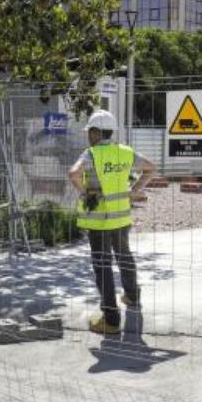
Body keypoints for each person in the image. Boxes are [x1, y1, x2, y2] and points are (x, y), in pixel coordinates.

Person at [67, 108, 156, 335]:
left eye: (90, 132)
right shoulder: (125, 152)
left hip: (99, 222)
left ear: (96, 132)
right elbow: (150, 168)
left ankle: (111, 320)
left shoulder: (92, 154)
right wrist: (134, 191)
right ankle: (132, 296)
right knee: (124, 256)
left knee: (103, 267)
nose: (88, 136)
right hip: (121, 217)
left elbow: (73, 173)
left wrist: (85, 193)